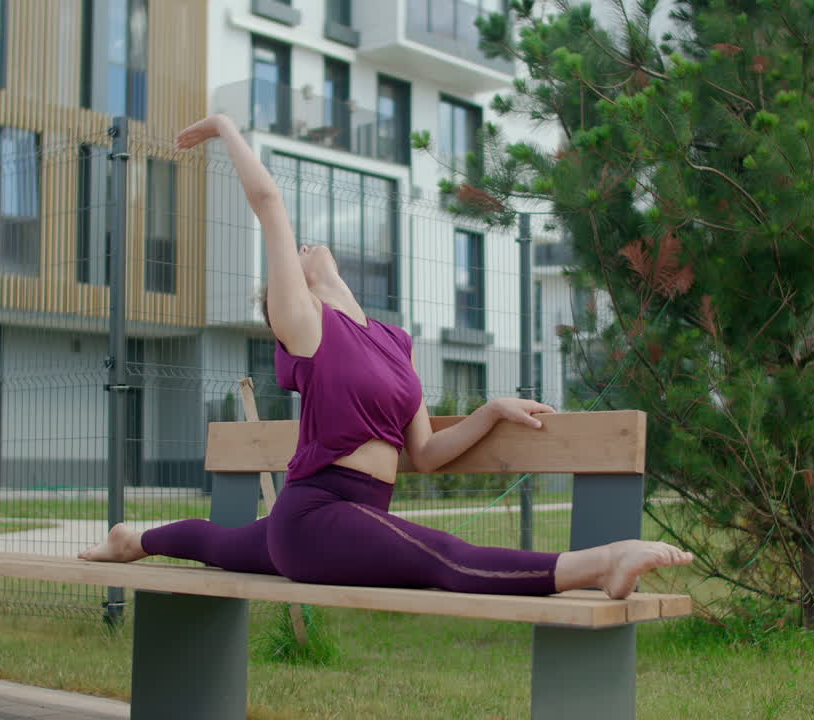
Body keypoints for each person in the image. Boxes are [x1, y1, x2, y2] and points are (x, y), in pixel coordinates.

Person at [79, 114, 694, 598]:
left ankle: (129, 536)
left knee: (223, 543)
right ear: (292, 290)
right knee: (444, 558)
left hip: (341, 523)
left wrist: (489, 411)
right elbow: (269, 204)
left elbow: (421, 451)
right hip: (320, 512)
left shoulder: (392, 342)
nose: (305, 249)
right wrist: (222, 126)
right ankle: (601, 563)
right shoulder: (308, 327)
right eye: (293, 261)